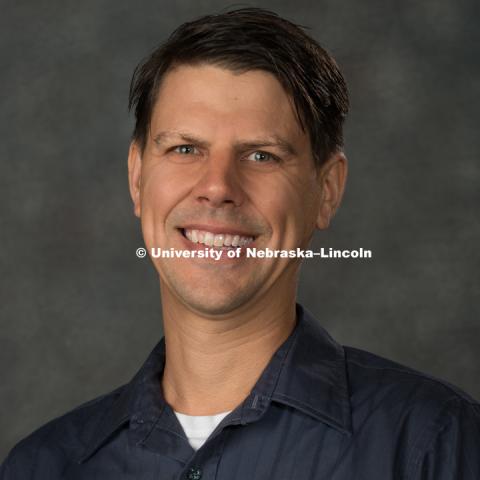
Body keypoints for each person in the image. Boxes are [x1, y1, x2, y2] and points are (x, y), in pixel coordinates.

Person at [1, 7, 479, 480]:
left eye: (261, 154)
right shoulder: (43, 467)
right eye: (185, 149)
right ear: (137, 177)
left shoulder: (433, 445)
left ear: (327, 190)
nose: (218, 186)